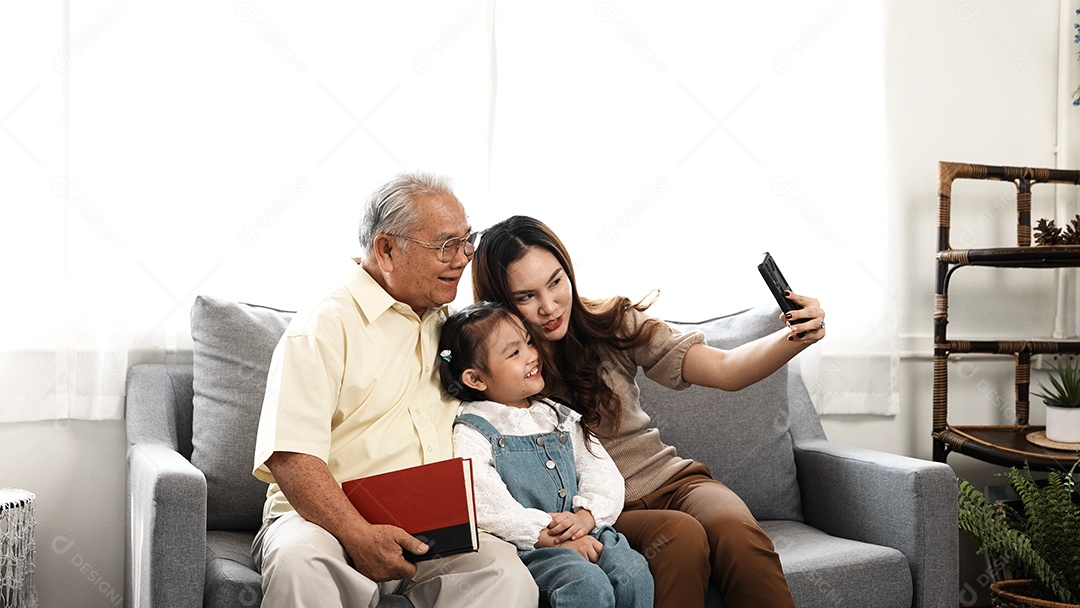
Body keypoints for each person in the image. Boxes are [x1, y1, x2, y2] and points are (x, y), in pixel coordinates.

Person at [471, 215, 828, 608]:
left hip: (673, 480)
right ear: (500, 302)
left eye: (556, 282)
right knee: (681, 539)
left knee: (737, 531)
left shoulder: (611, 322)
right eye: (526, 297)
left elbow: (726, 370)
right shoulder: (499, 370)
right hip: (600, 506)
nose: (549, 305)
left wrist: (795, 336)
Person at [250, 174, 538, 608]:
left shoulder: (452, 327)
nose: (462, 259)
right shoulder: (324, 326)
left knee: (504, 574)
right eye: (445, 246)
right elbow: (290, 456)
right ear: (386, 249)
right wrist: (357, 534)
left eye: (467, 241)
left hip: (434, 528)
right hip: (324, 525)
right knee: (300, 560)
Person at [438, 301, 654, 608]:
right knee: (585, 583)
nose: (531, 355)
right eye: (514, 353)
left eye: (527, 342)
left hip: (586, 528)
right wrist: (554, 537)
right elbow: (484, 501)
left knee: (633, 572)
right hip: (533, 547)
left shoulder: (557, 415)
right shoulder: (474, 429)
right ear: (476, 379)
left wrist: (585, 517)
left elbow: (601, 472)